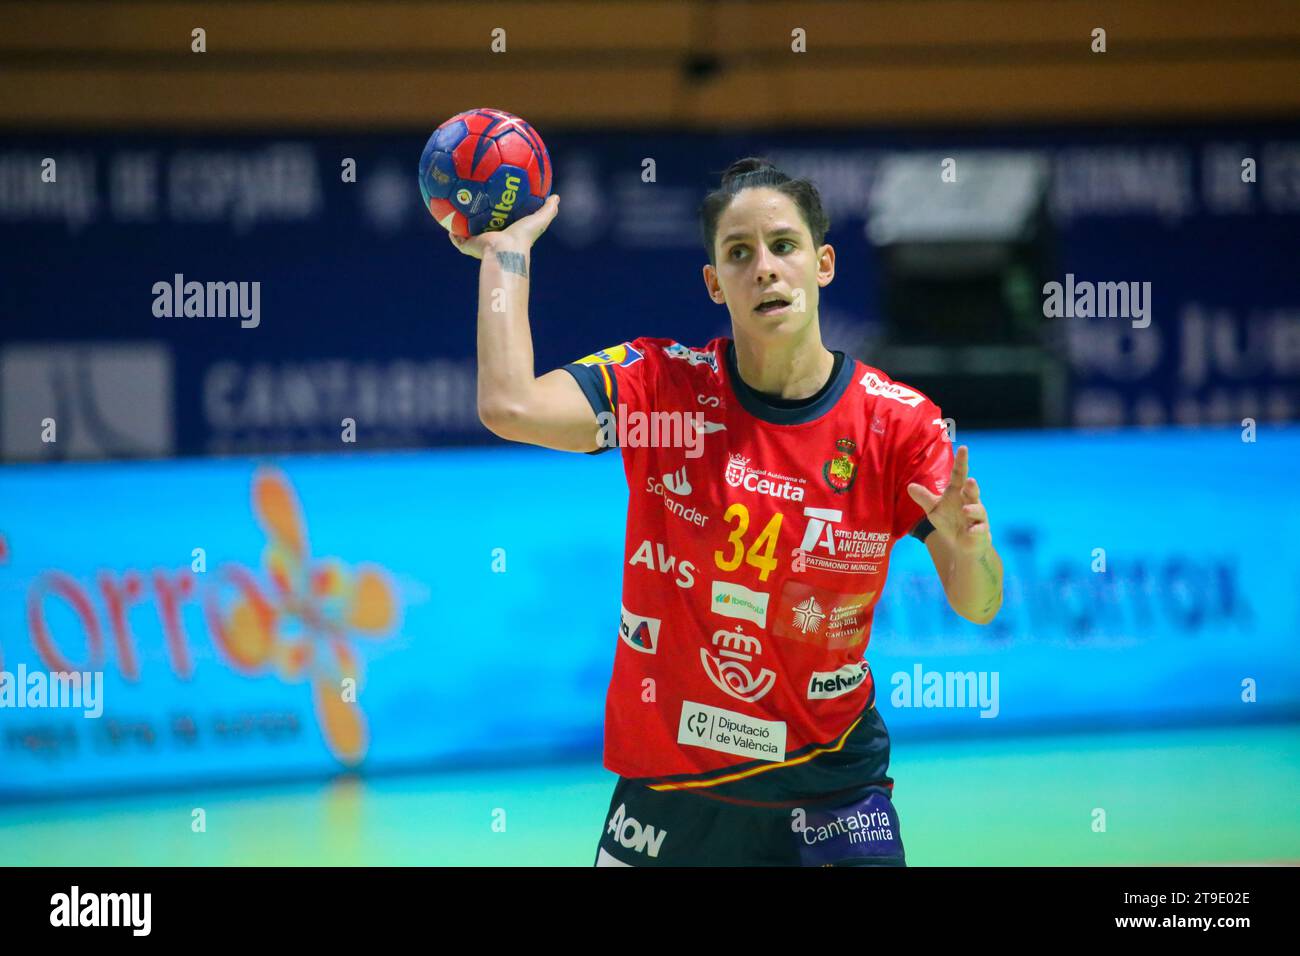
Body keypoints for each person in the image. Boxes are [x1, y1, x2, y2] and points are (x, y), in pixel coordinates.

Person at [452, 157, 1004, 866]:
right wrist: (505, 255)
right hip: (672, 792)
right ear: (715, 283)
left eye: (784, 246)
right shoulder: (662, 390)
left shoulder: (896, 426)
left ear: (823, 263)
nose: (765, 268)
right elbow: (509, 406)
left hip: (833, 790)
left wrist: (969, 552)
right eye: (739, 254)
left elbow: (981, 604)